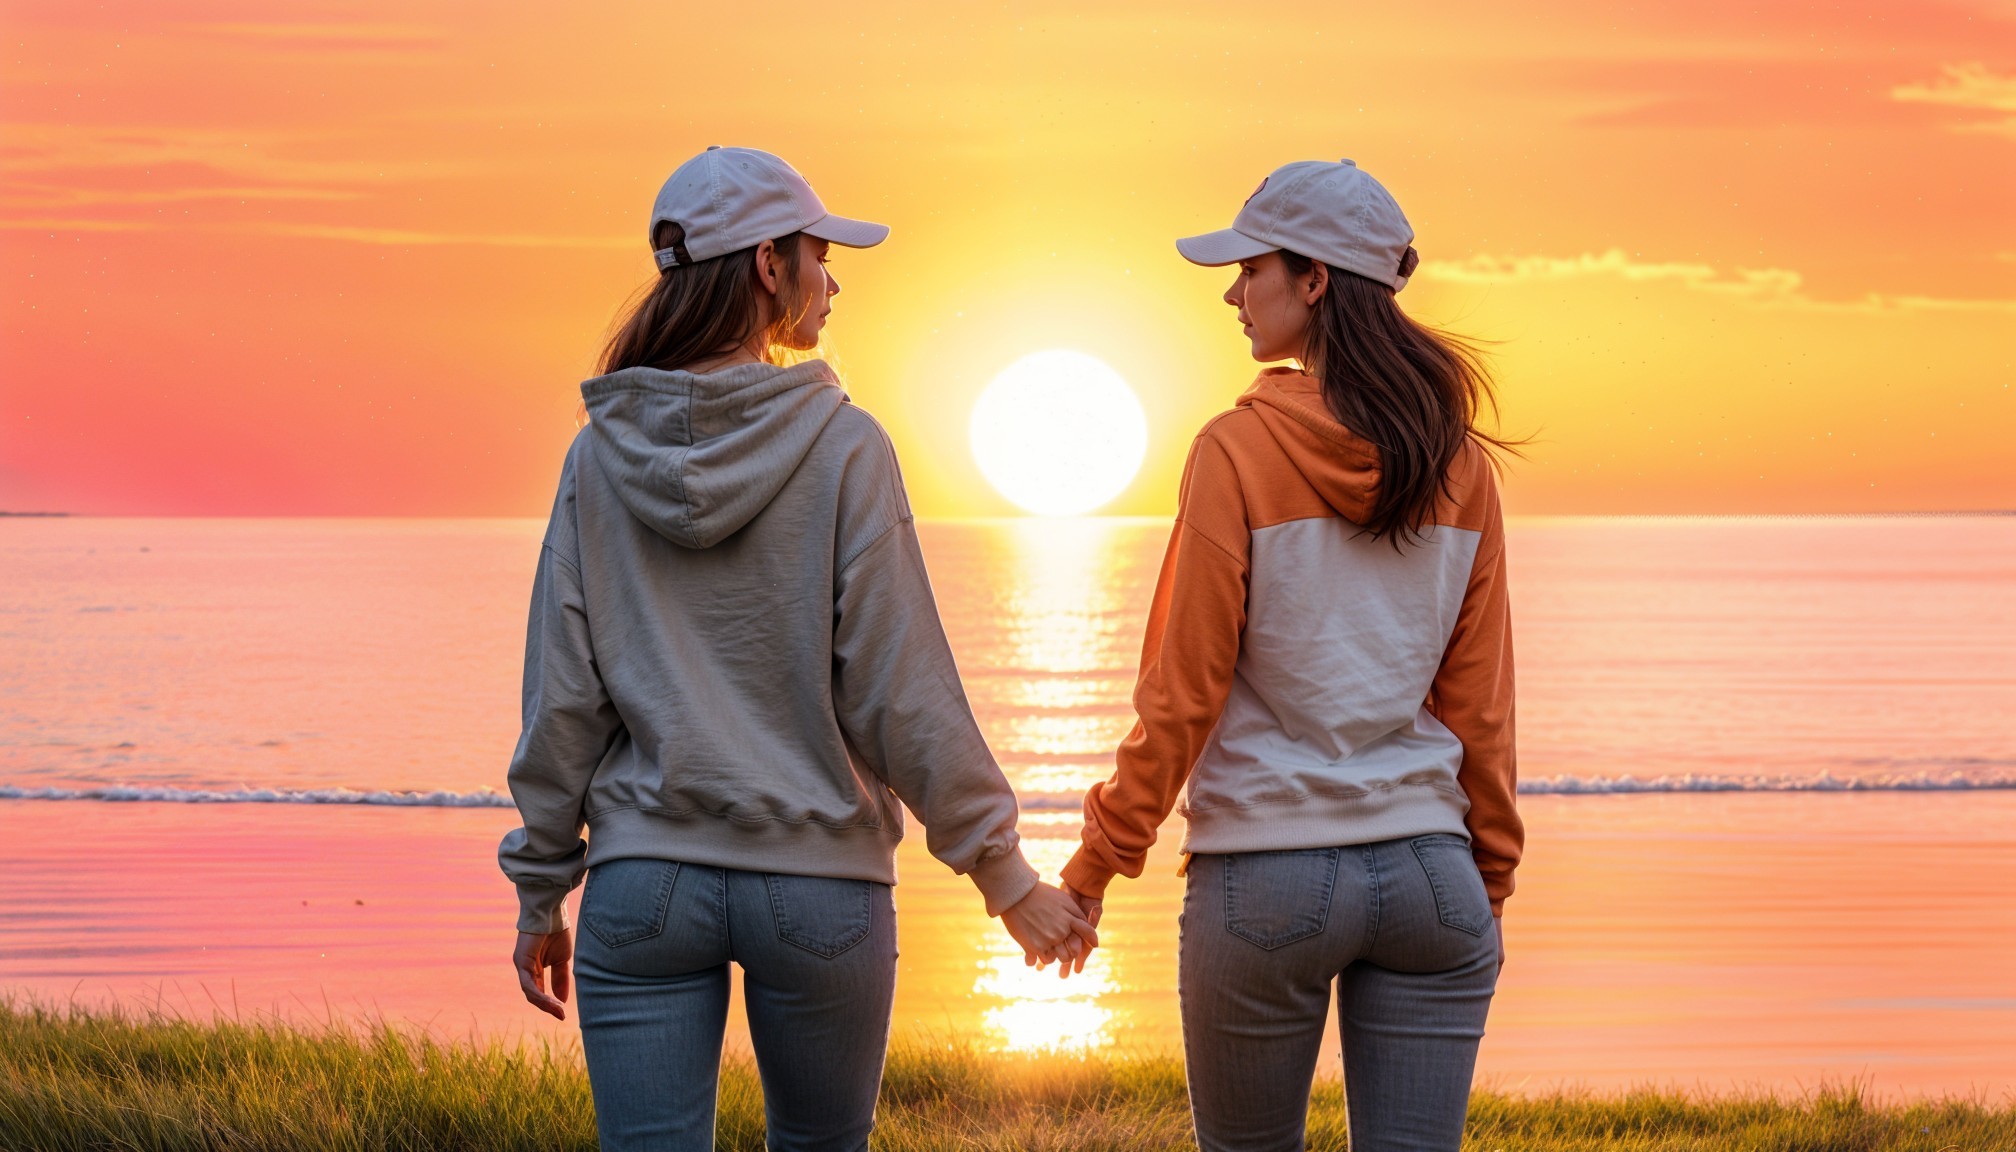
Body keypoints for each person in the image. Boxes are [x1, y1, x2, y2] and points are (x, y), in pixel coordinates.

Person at [498, 145, 1096, 1152]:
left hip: (646, 886)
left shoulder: (596, 455)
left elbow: (564, 699)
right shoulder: (844, 445)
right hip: (820, 891)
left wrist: (541, 890)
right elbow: (899, 689)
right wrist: (1006, 878)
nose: (834, 279)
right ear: (769, 263)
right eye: (820, 253)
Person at [1060, 158, 1522, 1152]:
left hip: (1266, 879)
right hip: (1430, 882)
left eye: (1250, 268)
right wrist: (1488, 871)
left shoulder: (1236, 449)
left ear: (1314, 280)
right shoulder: (1462, 464)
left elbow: (1181, 696)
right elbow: (1478, 707)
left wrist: (1100, 862)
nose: (1233, 291)